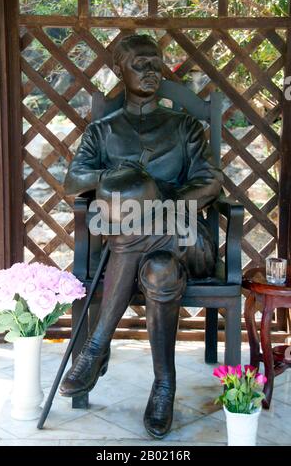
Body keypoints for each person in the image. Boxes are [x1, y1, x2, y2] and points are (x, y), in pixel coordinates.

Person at [60, 34, 223, 439]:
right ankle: (164, 387)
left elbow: (210, 182)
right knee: (160, 275)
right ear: (120, 70)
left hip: (186, 236)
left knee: (137, 228)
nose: (151, 71)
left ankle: (96, 347)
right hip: (152, 257)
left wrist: (162, 201)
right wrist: (113, 179)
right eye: (140, 64)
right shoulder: (103, 132)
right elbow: (72, 180)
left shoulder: (184, 127)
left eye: (156, 63)